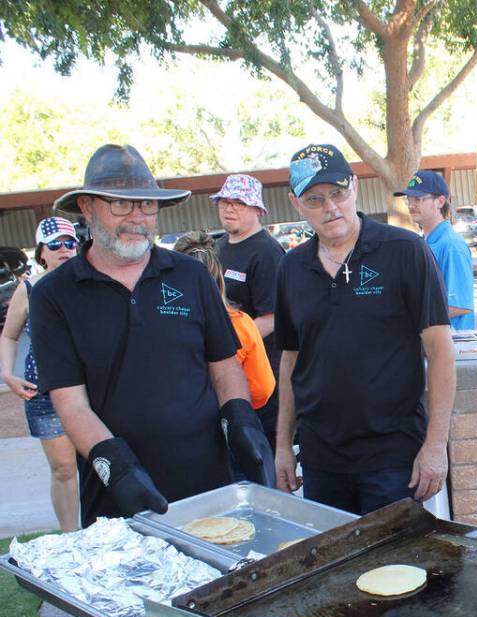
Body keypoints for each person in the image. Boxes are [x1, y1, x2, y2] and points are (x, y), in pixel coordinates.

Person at [29, 144, 275, 617]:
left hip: (208, 479)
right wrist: (115, 463)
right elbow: (69, 402)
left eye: (147, 203)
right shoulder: (55, 294)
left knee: (224, 613)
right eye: (122, 202)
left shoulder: (188, 276)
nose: (139, 216)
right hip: (117, 483)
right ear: (86, 209)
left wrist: (240, 420)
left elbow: (224, 362)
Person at [274, 143, 456, 513]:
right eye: (315, 199)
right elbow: (290, 360)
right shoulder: (291, 268)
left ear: (354, 186)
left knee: (398, 569)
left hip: (393, 457)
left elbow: (440, 349)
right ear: (296, 204)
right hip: (321, 459)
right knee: (336, 566)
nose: (330, 207)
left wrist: (436, 445)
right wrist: (281, 446)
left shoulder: (404, 251)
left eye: (338, 193)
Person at [0, 217, 80, 532]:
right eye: (54, 244)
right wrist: (8, 374)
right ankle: (71, 537)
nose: (63, 249)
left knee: (104, 462)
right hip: (44, 393)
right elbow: (9, 336)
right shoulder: (29, 288)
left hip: (94, 388)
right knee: (63, 468)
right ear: (41, 252)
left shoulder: (91, 283)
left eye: (69, 242)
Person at [212, 173, 284, 451]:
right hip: (227, 373)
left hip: (262, 379)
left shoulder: (267, 252)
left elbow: (272, 317)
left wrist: (230, 346)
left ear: (257, 209)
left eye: (238, 203)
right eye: (224, 202)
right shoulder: (218, 247)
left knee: (260, 454)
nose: (229, 208)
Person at [173, 232, 275, 411]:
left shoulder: (160, 323)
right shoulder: (241, 324)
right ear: (219, 275)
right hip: (230, 421)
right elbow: (261, 391)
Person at [395, 169, 475, 330]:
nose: (411, 205)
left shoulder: (452, 245)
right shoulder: (425, 242)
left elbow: (459, 305)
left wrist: (403, 314)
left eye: (417, 199)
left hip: (453, 347)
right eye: (408, 199)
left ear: (440, 201)